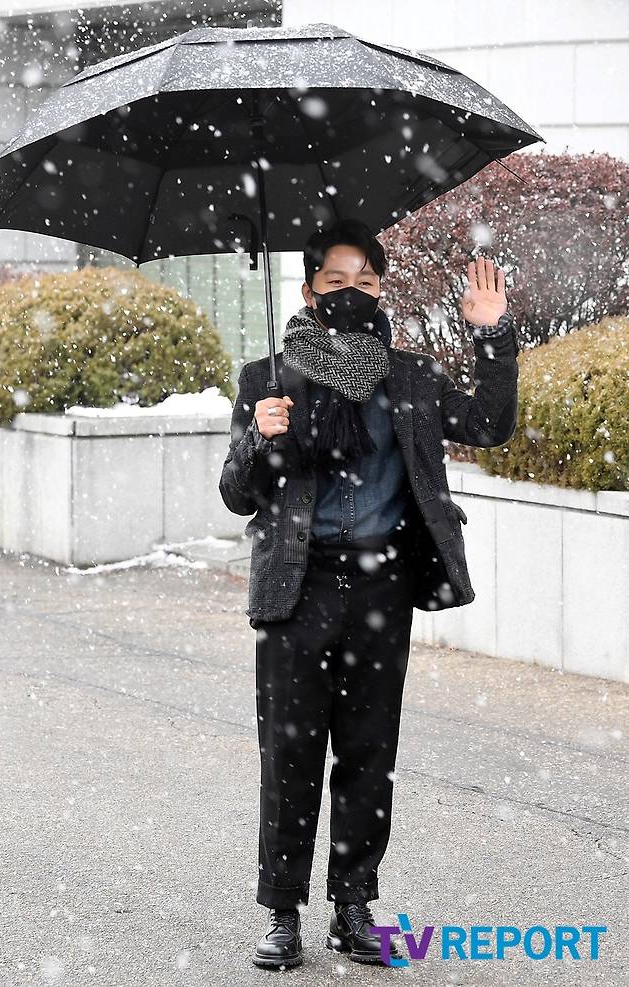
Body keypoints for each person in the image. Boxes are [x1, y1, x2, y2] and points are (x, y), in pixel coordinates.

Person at [218, 219, 519, 968]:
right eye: (337, 281)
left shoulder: (410, 378)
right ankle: (282, 910)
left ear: (381, 290)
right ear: (309, 291)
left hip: (382, 584)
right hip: (299, 586)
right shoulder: (268, 379)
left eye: (367, 282)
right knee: (289, 753)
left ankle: (353, 905)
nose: (353, 293)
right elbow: (236, 493)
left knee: (368, 751)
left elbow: (490, 424)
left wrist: (492, 334)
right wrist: (259, 436)